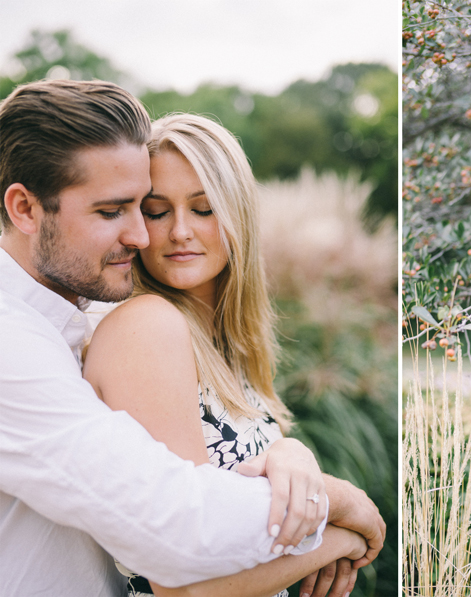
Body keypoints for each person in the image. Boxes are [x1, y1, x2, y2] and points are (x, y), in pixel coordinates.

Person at [0, 79, 385, 597]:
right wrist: (340, 517)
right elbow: (180, 551)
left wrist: (292, 456)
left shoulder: (87, 315)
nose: (149, 233)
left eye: (203, 209)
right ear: (24, 210)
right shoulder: (115, 330)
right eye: (127, 210)